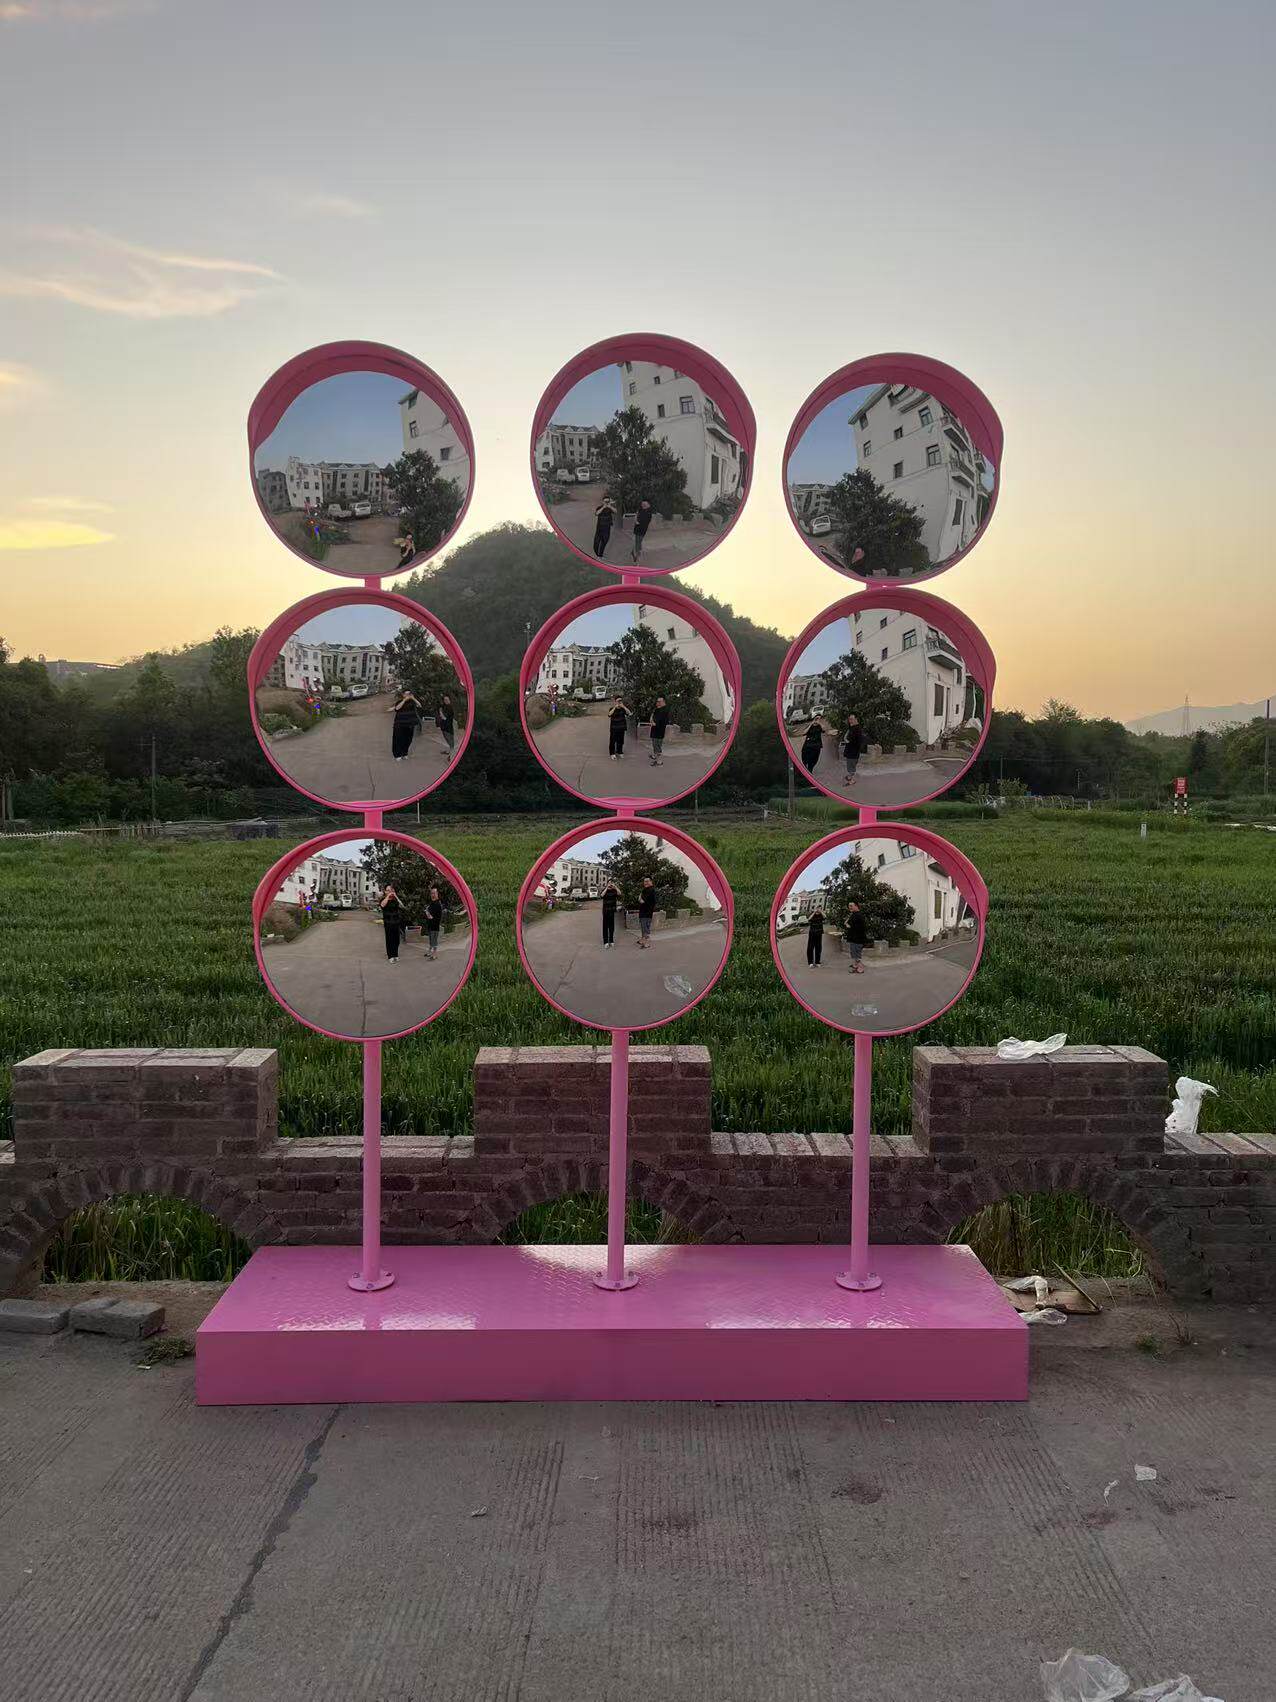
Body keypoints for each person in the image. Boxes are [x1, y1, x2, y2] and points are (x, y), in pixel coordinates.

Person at [390, 691, 421, 762]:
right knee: (398, 740)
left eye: (409, 694)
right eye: (406, 694)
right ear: (403, 695)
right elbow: (397, 708)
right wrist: (404, 700)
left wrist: (413, 698)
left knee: (408, 740)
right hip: (399, 724)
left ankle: (404, 753)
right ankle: (397, 755)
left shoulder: (413, 702)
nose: (407, 695)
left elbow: (419, 705)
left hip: (410, 724)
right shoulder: (399, 702)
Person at [380, 885, 404, 964]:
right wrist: (388, 896)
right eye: (388, 890)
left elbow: (402, 906)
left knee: (396, 940)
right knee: (390, 940)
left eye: (391, 890)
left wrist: (396, 896)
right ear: (385, 892)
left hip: (396, 923)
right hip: (388, 923)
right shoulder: (383, 900)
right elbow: (382, 905)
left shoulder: (395, 900)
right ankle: (390, 956)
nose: (389, 891)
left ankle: (395, 954)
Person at [845, 902, 868, 973]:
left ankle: (860, 968)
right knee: (854, 953)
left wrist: (849, 926)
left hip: (857, 939)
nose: (850, 907)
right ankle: (855, 966)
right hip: (854, 938)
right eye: (849, 906)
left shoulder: (859, 915)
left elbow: (860, 928)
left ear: (856, 906)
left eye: (851, 906)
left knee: (856, 955)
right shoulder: (854, 914)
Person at [842, 715, 865, 788]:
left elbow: (857, 741)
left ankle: (852, 780)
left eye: (852, 719)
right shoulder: (852, 728)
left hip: (853, 751)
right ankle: (850, 777)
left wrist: (847, 741)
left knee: (851, 766)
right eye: (849, 719)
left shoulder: (857, 729)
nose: (850, 721)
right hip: (851, 750)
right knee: (850, 765)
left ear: (856, 719)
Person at [630, 498, 653, 564]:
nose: (643, 505)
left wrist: (637, 520)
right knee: (637, 542)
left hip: (642, 530)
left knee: (638, 542)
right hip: (637, 529)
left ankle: (636, 558)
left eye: (645, 504)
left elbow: (640, 521)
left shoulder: (648, 513)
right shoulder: (641, 510)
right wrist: (636, 519)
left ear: (648, 505)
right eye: (642, 504)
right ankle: (636, 555)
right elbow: (636, 518)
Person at [649, 694, 670, 766]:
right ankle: (655, 757)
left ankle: (659, 761)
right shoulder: (658, 709)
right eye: (657, 701)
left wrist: (653, 722)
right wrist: (652, 720)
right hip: (654, 730)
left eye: (659, 701)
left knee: (657, 746)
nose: (658, 703)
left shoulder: (665, 710)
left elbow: (658, 722)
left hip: (659, 731)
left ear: (663, 702)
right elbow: (653, 716)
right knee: (655, 745)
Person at [636, 876, 656, 948]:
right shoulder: (646, 890)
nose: (645, 883)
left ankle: (647, 943)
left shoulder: (650, 890)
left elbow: (641, 901)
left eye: (647, 881)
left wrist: (640, 898)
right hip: (644, 912)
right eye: (644, 881)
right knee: (643, 927)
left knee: (645, 929)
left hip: (646, 913)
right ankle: (642, 940)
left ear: (651, 882)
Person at [424, 885, 443, 960]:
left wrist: (427, 912)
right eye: (431, 893)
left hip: (435, 926)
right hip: (430, 925)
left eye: (434, 893)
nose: (433, 894)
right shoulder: (432, 903)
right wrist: (427, 911)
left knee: (434, 941)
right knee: (431, 940)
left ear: (437, 894)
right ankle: (429, 952)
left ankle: (434, 955)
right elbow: (430, 914)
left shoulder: (437, 904)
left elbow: (432, 917)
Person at [436, 695, 456, 760]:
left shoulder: (450, 708)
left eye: (447, 699)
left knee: (450, 740)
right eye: (445, 700)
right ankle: (450, 751)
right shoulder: (444, 706)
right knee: (449, 740)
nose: (446, 701)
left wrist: (441, 712)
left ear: (449, 700)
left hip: (448, 727)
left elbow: (444, 718)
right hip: (445, 726)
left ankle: (451, 756)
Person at [601, 883, 619, 949]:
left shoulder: (614, 891)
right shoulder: (604, 890)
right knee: (605, 927)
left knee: (612, 927)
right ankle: (605, 942)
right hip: (605, 911)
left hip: (612, 911)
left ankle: (611, 940)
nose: (610, 885)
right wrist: (606, 888)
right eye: (609, 883)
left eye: (611, 884)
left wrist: (615, 886)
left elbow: (620, 893)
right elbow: (601, 895)